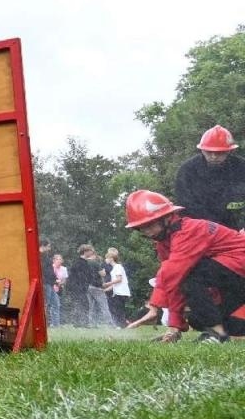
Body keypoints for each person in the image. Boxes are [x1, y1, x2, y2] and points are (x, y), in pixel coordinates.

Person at [123, 190, 245, 343]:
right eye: (141, 228)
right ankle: (224, 332)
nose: (147, 232)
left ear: (167, 217)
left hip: (239, 271)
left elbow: (174, 276)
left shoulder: (189, 231)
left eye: (149, 225)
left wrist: (154, 307)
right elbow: (170, 281)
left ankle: (217, 334)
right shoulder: (164, 243)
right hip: (232, 280)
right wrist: (175, 326)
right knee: (196, 319)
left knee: (189, 277)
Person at [173, 125, 245, 229]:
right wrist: (214, 227)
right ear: (202, 150)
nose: (213, 156)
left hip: (237, 227)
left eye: (219, 153)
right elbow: (185, 204)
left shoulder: (241, 167)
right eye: (209, 152)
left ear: (229, 151)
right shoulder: (187, 171)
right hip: (200, 227)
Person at [103, 246, 131, 323]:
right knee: (116, 309)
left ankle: (121, 325)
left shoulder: (118, 267)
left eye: (107, 258)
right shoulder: (114, 268)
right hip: (117, 292)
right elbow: (114, 285)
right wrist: (105, 290)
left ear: (111, 259)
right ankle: (121, 324)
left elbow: (119, 279)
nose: (105, 260)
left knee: (119, 310)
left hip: (121, 292)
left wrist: (107, 283)